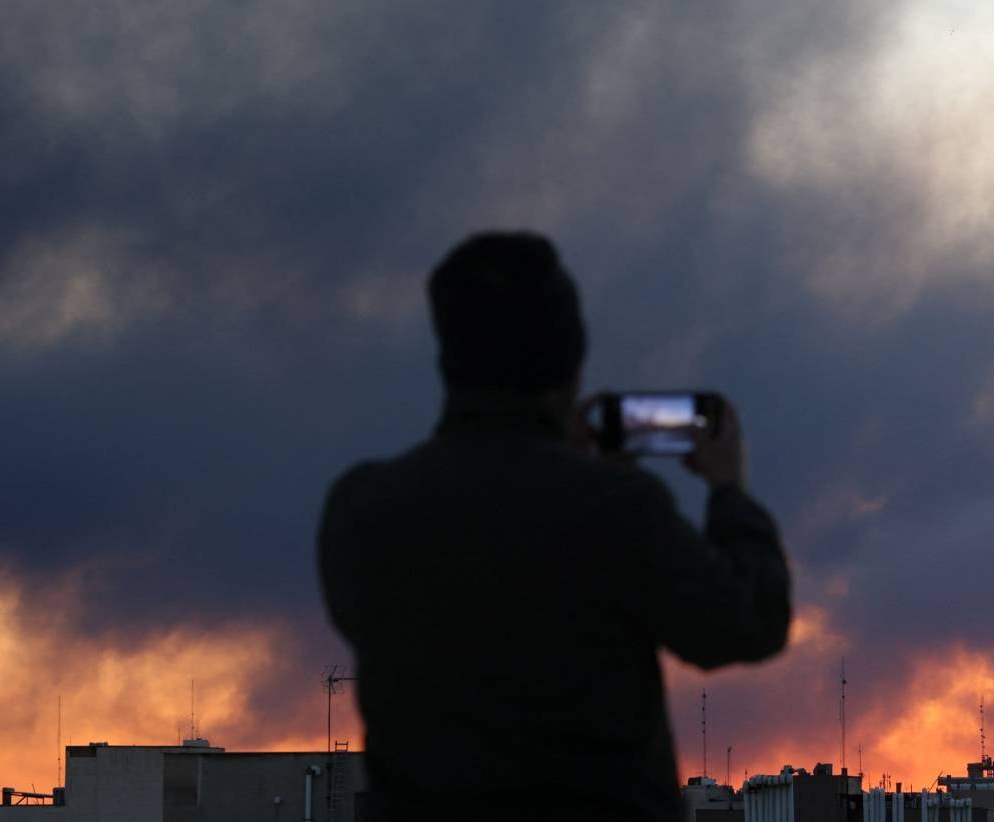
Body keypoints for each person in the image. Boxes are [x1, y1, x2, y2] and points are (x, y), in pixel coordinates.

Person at [317, 231, 791, 820]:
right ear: (570, 362)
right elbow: (750, 622)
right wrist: (728, 489)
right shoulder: (617, 509)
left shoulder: (361, 510)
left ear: (449, 358)